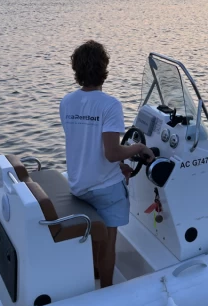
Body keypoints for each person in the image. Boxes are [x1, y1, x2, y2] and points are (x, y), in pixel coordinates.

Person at [60, 40, 153, 287]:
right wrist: (139, 148)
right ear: (104, 69)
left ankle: (94, 276)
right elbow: (112, 153)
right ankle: (107, 290)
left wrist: (119, 164)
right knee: (109, 241)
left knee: (95, 239)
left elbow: (85, 146)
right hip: (104, 190)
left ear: (76, 70)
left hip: (79, 185)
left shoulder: (66, 102)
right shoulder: (110, 105)